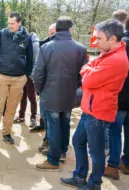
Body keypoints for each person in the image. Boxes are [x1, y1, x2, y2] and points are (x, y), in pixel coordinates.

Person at [60, 19, 129, 190]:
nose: (96, 42)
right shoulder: (108, 54)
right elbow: (86, 66)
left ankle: (94, 183)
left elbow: (88, 79)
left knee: (96, 152)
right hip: (90, 109)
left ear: (113, 38)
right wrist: (89, 69)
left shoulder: (116, 59)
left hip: (99, 111)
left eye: (99, 39)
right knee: (78, 141)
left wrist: (88, 71)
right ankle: (80, 177)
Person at [34, 16, 88, 171]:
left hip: (51, 94)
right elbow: (84, 74)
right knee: (65, 123)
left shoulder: (46, 47)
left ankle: (53, 160)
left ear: (56, 29)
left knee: (53, 127)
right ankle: (63, 152)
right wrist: (74, 86)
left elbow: (38, 73)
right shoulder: (80, 48)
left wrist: (40, 90)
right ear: (70, 29)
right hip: (69, 94)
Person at [0, 12, 33, 151]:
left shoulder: (26, 37)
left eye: (12, 23)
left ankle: (6, 133)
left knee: (11, 108)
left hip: (19, 79)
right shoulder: (2, 34)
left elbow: (30, 58)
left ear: (19, 23)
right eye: (9, 23)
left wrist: (25, 76)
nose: (9, 26)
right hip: (2, 77)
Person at [104, 17, 129, 179]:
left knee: (114, 131)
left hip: (121, 97)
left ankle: (112, 166)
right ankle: (126, 162)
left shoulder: (122, 45)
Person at [36, 23, 56, 155]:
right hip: (45, 90)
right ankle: (47, 140)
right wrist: (39, 89)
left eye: (53, 32)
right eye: (50, 32)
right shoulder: (44, 46)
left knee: (55, 121)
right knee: (45, 117)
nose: (51, 35)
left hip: (58, 92)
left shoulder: (71, 48)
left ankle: (55, 148)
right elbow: (38, 71)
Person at [13, 31, 39, 130]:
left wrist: (32, 75)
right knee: (22, 96)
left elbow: (35, 61)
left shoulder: (35, 44)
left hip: (30, 75)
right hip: (22, 74)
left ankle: (33, 118)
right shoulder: (25, 42)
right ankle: (21, 116)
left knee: (31, 97)